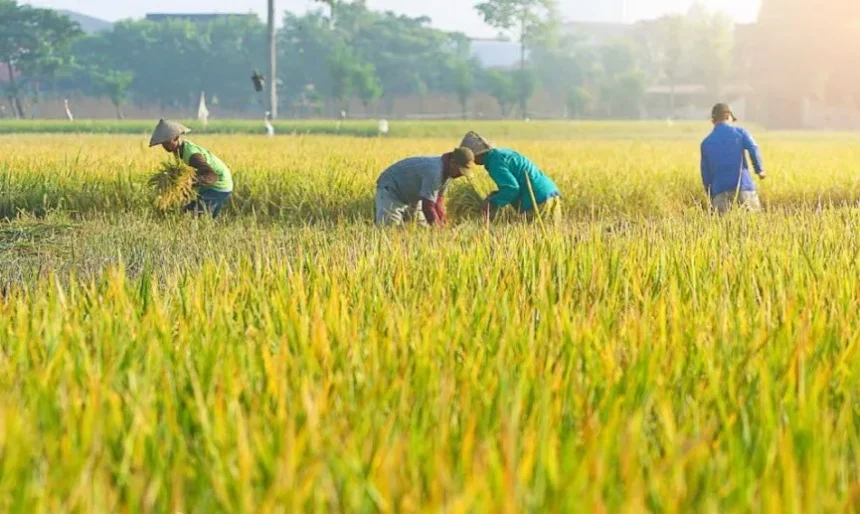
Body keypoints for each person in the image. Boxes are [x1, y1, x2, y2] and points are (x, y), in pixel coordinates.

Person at [459, 132, 562, 224]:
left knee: (536, 237)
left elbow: (511, 188)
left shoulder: (495, 163)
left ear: (477, 154)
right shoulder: (501, 154)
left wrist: (492, 203)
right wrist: (495, 195)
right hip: (551, 193)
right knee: (550, 233)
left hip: (537, 200)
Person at [149, 119, 234, 218]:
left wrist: (187, 182)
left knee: (193, 215)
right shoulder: (178, 151)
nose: (164, 146)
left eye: (167, 142)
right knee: (192, 213)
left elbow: (211, 176)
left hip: (219, 185)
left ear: (176, 138)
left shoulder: (192, 155)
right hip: (207, 187)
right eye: (163, 143)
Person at [375, 147, 474, 226]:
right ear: (453, 163)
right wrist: (437, 228)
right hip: (391, 189)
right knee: (390, 228)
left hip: (412, 196)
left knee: (420, 228)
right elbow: (428, 205)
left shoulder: (448, 175)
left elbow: (438, 201)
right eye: (460, 171)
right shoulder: (435, 172)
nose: (461, 175)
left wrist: (443, 223)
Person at [701, 103, 767, 214]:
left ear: (713, 121)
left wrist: (711, 195)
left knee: (724, 228)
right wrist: (759, 170)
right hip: (744, 188)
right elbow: (753, 149)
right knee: (752, 226)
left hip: (720, 192)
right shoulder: (741, 133)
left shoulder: (706, 143)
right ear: (728, 117)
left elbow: (705, 173)